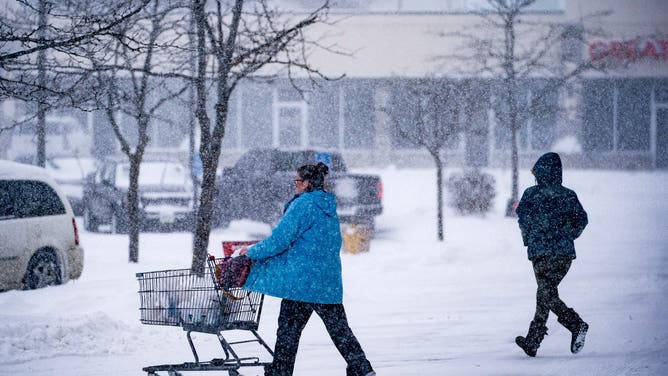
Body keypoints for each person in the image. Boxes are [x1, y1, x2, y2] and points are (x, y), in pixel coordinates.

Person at [240, 162, 375, 376]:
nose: (295, 185)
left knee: (288, 332)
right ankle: (361, 368)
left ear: (307, 183)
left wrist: (251, 251)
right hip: (326, 281)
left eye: (298, 181)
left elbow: (280, 240)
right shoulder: (328, 205)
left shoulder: (304, 205)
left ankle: (280, 372)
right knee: (339, 330)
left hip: (301, 282)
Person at [515, 152, 589, 357]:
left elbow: (522, 219)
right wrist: (568, 236)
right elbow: (581, 220)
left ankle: (575, 325)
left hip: (540, 253)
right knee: (546, 294)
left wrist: (530, 238)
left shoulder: (531, 194)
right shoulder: (568, 195)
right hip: (563, 255)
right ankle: (533, 341)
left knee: (545, 294)